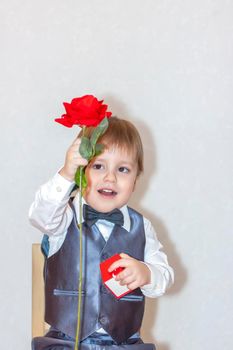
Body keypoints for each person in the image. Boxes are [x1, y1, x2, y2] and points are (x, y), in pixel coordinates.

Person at [29, 116, 174, 350]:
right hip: (66, 344)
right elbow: (40, 216)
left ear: (135, 181)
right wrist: (65, 175)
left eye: (123, 169)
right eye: (98, 166)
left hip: (124, 344)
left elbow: (165, 276)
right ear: (80, 171)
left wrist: (147, 272)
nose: (110, 177)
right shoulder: (62, 218)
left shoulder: (142, 227)